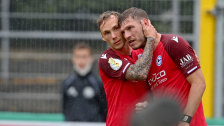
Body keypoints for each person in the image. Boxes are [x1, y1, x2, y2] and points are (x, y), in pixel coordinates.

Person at [119, 7, 207, 126]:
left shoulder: (173, 43)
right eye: (123, 32)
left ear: (145, 23)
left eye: (130, 28)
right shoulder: (139, 57)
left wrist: (185, 119)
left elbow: (199, 83)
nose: (127, 35)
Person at [97, 11, 156, 126]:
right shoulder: (107, 59)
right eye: (107, 33)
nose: (113, 36)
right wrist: (151, 39)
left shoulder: (143, 51)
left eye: (115, 28)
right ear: (103, 37)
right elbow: (139, 73)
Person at [62, 43, 107, 122]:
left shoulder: (98, 83)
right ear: (73, 59)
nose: (81, 61)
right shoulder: (67, 83)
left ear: (91, 59)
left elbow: (104, 109)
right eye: (78, 57)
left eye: (84, 57)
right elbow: (64, 107)